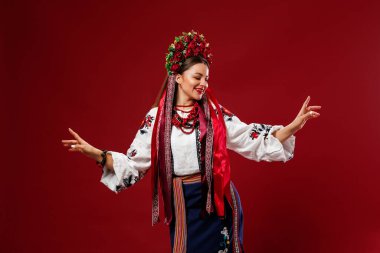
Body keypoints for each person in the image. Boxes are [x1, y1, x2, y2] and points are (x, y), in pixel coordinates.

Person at [62, 29, 321, 253]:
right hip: (184, 204)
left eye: (206, 78)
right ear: (178, 77)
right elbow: (134, 165)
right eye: (197, 77)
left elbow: (250, 138)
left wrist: (292, 126)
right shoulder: (156, 120)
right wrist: (95, 153)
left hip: (219, 203)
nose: (203, 84)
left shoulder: (215, 115)